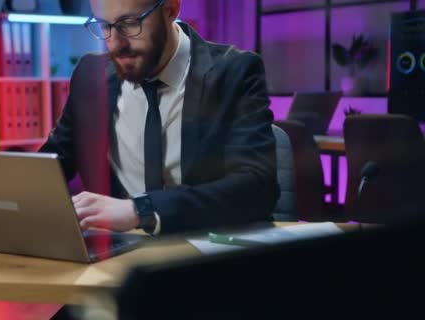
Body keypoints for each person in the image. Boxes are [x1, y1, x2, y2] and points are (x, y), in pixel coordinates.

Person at [40, 0, 279, 238]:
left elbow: (257, 187)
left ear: (170, 10)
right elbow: (52, 164)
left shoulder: (235, 72)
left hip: (208, 251)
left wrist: (141, 210)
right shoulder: (90, 75)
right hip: (121, 254)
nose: (115, 43)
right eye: (104, 26)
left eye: (130, 24)